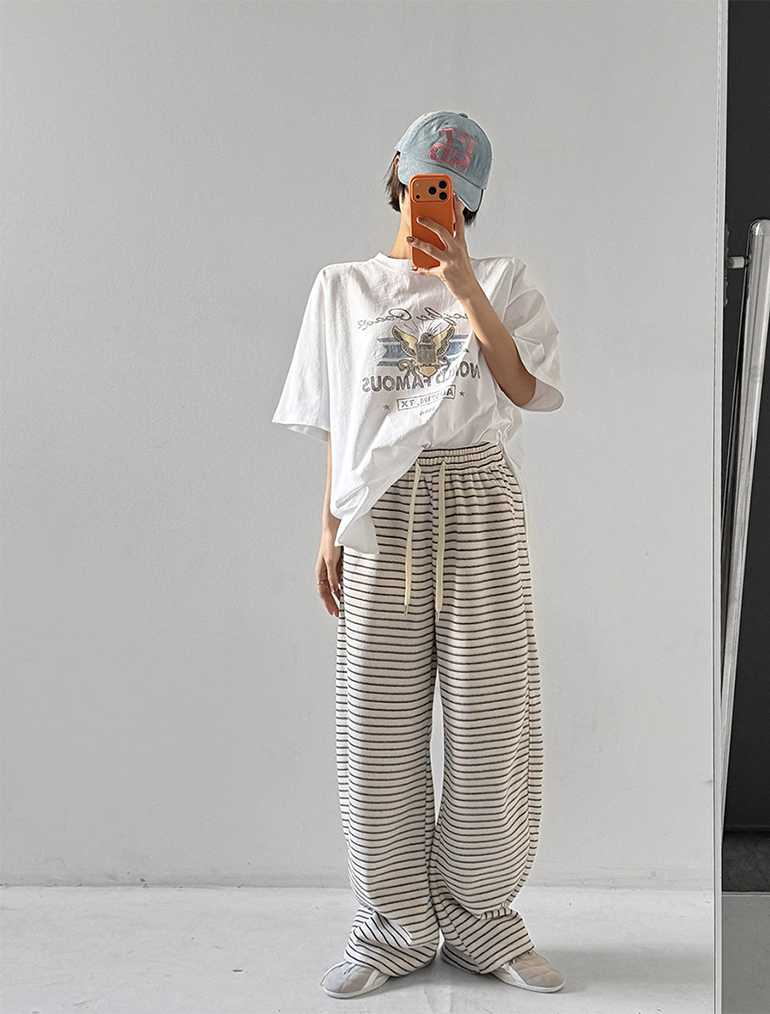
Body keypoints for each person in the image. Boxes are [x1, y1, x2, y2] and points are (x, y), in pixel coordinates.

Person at [272, 110, 565, 999]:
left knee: (490, 722)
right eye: (424, 185)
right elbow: (340, 417)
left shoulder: (506, 279)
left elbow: (524, 388)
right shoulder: (343, 287)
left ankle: (482, 921)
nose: (435, 205)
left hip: (478, 496)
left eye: (454, 195)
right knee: (378, 727)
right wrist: (330, 526)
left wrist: (466, 287)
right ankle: (393, 927)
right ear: (398, 176)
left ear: (471, 201)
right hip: (380, 510)